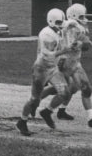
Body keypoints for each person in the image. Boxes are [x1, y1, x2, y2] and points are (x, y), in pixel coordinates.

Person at [45, 3, 92, 128]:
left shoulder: (79, 28)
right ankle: (43, 107)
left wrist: (82, 44)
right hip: (64, 63)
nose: (84, 18)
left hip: (75, 63)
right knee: (66, 91)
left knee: (82, 89)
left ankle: (90, 118)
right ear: (73, 16)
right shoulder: (66, 26)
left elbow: (88, 44)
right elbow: (62, 28)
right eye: (82, 16)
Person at [16, 8, 72, 137]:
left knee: (65, 92)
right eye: (58, 22)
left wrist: (63, 57)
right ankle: (22, 121)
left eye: (61, 22)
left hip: (52, 68)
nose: (60, 25)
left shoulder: (59, 31)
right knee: (34, 99)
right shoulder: (46, 34)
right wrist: (64, 52)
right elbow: (48, 55)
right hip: (41, 69)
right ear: (51, 21)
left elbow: (62, 47)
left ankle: (47, 111)